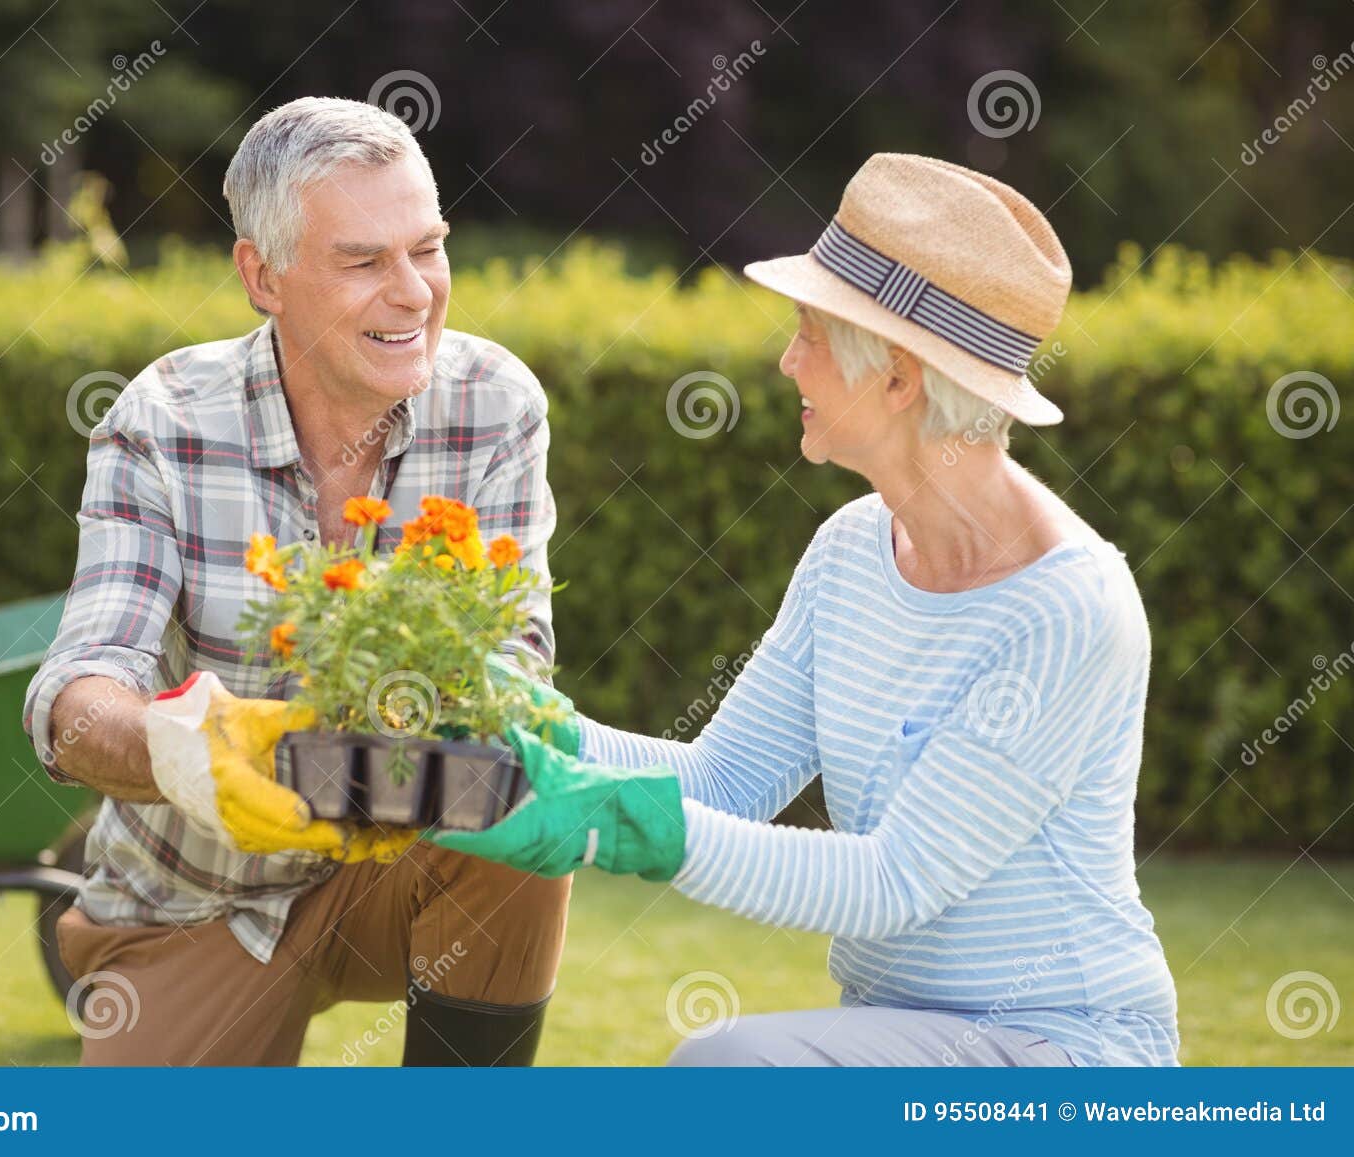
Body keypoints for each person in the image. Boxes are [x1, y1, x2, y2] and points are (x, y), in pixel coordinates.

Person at [439, 154, 1181, 1068]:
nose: (788, 359)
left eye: (811, 333)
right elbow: (727, 779)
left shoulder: (1068, 609)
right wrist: (538, 725)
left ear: (900, 378)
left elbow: (896, 879)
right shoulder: (851, 549)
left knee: (730, 1068)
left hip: (1068, 1050)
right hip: (901, 1023)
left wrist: (622, 825)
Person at [23, 97, 568, 1067]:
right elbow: (82, 687)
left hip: (398, 865)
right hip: (195, 897)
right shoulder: (165, 419)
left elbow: (511, 654)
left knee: (521, 815)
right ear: (261, 276)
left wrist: (467, 727)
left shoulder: (493, 404)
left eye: (427, 247)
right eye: (363, 261)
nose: (414, 294)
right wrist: (183, 751)